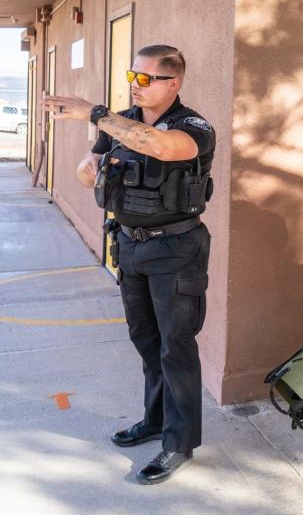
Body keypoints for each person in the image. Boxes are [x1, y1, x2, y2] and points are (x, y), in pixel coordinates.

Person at [42, 45, 214, 484]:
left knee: (176, 346)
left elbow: (159, 146)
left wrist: (94, 114)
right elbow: (89, 168)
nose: (135, 86)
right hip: (131, 245)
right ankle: (155, 421)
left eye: (145, 79)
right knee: (145, 340)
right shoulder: (120, 122)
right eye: (131, 76)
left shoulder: (194, 125)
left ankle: (179, 445)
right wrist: (94, 166)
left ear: (172, 83)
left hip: (176, 249)